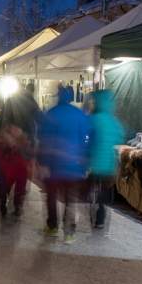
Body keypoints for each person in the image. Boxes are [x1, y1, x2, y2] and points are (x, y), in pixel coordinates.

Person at [37, 86, 90, 242]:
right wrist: (83, 161)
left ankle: (53, 227)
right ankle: (69, 233)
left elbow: (43, 140)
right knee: (70, 199)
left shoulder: (51, 114)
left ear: (58, 96)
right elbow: (86, 139)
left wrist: (42, 162)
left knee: (51, 197)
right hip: (74, 166)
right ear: (71, 97)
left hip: (53, 165)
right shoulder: (79, 115)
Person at [0, 86, 40, 218]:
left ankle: (3, 196)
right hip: (24, 145)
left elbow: (0, 121)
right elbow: (40, 120)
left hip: (7, 146)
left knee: (6, 174)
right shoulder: (31, 103)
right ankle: (17, 204)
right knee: (21, 176)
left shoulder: (10, 102)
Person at [87, 90, 125, 229]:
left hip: (94, 164)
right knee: (104, 192)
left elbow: (86, 138)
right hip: (109, 165)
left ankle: (92, 206)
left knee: (91, 188)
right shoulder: (113, 121)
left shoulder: (93, 119)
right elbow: (120, 137)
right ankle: (100, 218)